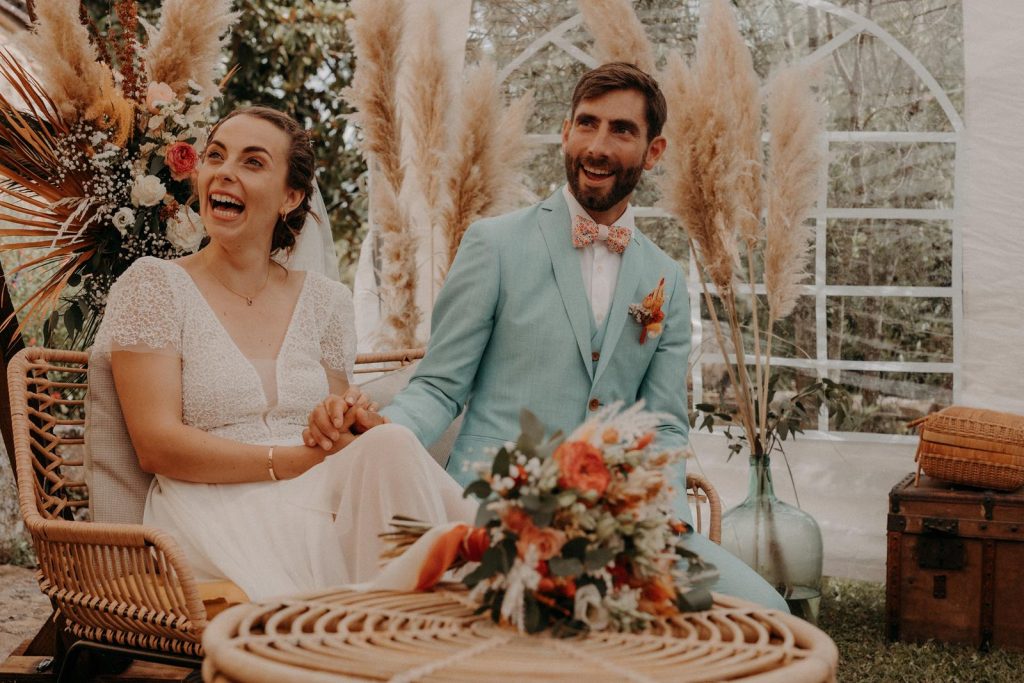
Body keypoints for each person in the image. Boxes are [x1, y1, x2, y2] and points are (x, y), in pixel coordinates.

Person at [312, 62, 789, 611]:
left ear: (653, 152)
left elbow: (661, 424)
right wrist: (380, 425)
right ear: (565, 132)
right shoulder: (493, 245)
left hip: (614, 523)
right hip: (491, 509)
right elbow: (440, 387)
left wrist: (667, 521)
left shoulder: (665, 279)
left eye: (621, 130)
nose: (598, 145)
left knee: (768, 613)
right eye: (586, 124)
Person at [95, 106, 476, 601]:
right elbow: (156, 445)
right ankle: (483, 586)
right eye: (216, 156)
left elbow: (338, 438)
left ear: (290, 197)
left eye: (253, 163)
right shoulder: (154, 285)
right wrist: (290, 462)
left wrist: (343, 419)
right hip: (210, 510)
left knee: (389, 443)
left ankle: (421, 623)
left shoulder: (325, 302)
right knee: (397, 483)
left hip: (316, 494)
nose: (225, 171)